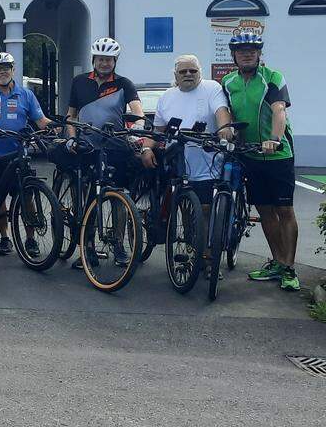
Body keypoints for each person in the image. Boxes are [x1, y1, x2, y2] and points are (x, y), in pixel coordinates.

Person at [221, 30, 300, 291]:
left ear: (259, 54)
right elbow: (229, 113)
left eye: (252, 50)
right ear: (234, 55)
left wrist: (275, 138)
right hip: (249, 155)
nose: (247, 54)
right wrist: (229, 131)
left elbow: (279, 110)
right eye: (242, 51)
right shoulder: (228, 82)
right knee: (265, 211)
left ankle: (290, 268)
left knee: (284, 210)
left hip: (277, 155)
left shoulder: (272, 78)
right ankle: (278, 261)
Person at [58, 37, 145, 269]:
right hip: (86, 147)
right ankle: (87, 248)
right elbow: (71, 115)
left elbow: (138, 112)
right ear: (93, 60)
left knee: (118, 198)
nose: (104, 63)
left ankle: (118, 245)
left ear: (115, 61)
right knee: (87, 200)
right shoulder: (79, 82)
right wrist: (71, 138)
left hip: (115, 147)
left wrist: (135, 131)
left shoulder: (124, 84)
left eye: (109, 60)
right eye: (101, 59)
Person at [142, 54, 233, 259]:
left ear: (200, 72)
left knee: (206, 208)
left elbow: (221, 111)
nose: (188, 74)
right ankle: (194, 248)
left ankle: (208, 256)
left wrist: (225, 128)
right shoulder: (167, 97)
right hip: (179, 162)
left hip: (208, 162)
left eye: (193, 70)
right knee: (185, 206)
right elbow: (157, 131)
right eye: (183, 71)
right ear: (176, 75)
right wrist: (146, 149)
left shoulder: (212, 88)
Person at [0, 54, 52, 257]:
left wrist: (59, 130)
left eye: (6, 68)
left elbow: (40, 120)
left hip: (18, 153)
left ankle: (30, 239)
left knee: (27, 196)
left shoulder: (26, 95)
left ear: (13, 70)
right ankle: (5, 238)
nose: (2, 72)